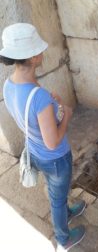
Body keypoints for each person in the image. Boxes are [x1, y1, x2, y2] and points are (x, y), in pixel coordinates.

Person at [0, 23, 86, 251]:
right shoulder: (39, 98)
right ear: (35, 56)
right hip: (55, 157)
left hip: (35, 151)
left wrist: (50, 100)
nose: (43, 52)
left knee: (56, 190)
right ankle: (64, 239)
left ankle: (66, 212)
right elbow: (53, 140)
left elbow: (28, 114)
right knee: (56, 197)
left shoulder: (9, 85)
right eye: (40, 50)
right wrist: (65, 114)